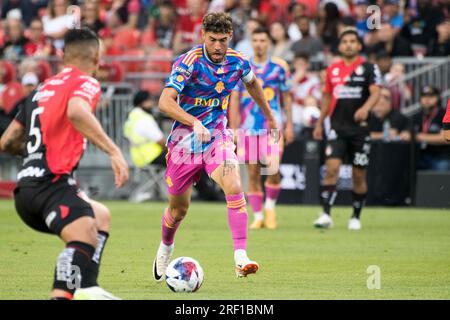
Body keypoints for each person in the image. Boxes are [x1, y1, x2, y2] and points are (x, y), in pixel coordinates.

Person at [0, 28, 129, 300]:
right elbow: (76, 111)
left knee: (100, 216)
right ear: (96, 58)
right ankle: (61, 295)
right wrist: (114, 151)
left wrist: (36, 154)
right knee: (84, 237)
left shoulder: (39, 89)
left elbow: (7, 141)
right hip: (52, 185)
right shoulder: (86, 82)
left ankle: (87, 287)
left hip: (26, 190)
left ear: (63, 57)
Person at [154, 12, 278, 280]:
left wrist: (269, 115)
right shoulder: (189, 62)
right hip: (183, 143)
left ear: (230, 37)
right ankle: (166, 246)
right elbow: (165, 102)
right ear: (203, 36)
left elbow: (253, 84)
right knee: (178, 211)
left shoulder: (237, 62)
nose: (218, 46)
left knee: (234, 184)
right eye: (212, 40)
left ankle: (240, 257)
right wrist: (192, 122)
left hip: (216, 137)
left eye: (223, 40)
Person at [313, 29, 382, 231]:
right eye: (345, 42)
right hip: (337, 129)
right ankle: (326, 214)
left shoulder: (369, 68)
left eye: (353, 41)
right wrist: (320, 123)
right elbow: (327, 98)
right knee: (331, 169)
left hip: (360, 131)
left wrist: (365, 108)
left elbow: (376, 92)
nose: (349, 45)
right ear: (340, 46)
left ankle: (355, 216)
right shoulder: (332, 70)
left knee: (358, 175)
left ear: (359, 46)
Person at [229, 27, 293, 230]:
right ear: (251, 42)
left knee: (273, 169)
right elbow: (235, 99)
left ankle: (270, 208)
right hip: (248, 129)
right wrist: (233, 128)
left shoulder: (279, 67)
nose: (259, 44)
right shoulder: (242, 66)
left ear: (269, 43)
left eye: (262, 40)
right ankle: (258, 216)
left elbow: (287, 97)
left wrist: (289, 124)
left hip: (272, 127)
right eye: (255, 40)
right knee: (253, 174)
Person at [123, 90, 166, 168]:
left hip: (138, 158)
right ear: (142, 102)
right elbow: (161, 141)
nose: (152, 103)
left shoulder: (132, 117)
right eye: (150, 100)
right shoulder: (145, 119)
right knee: (183, 157)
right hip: (152, 156)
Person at [412, 86, 450, 171]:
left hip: (441, 156)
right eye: (424, 96)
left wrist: (419, 137)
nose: (427, 99)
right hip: (421, 155)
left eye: (431, 96)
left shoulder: (445, 115)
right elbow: (406, 135)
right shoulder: (416, 117)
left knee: (443, 167)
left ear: (438, 98)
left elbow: (447, 138)